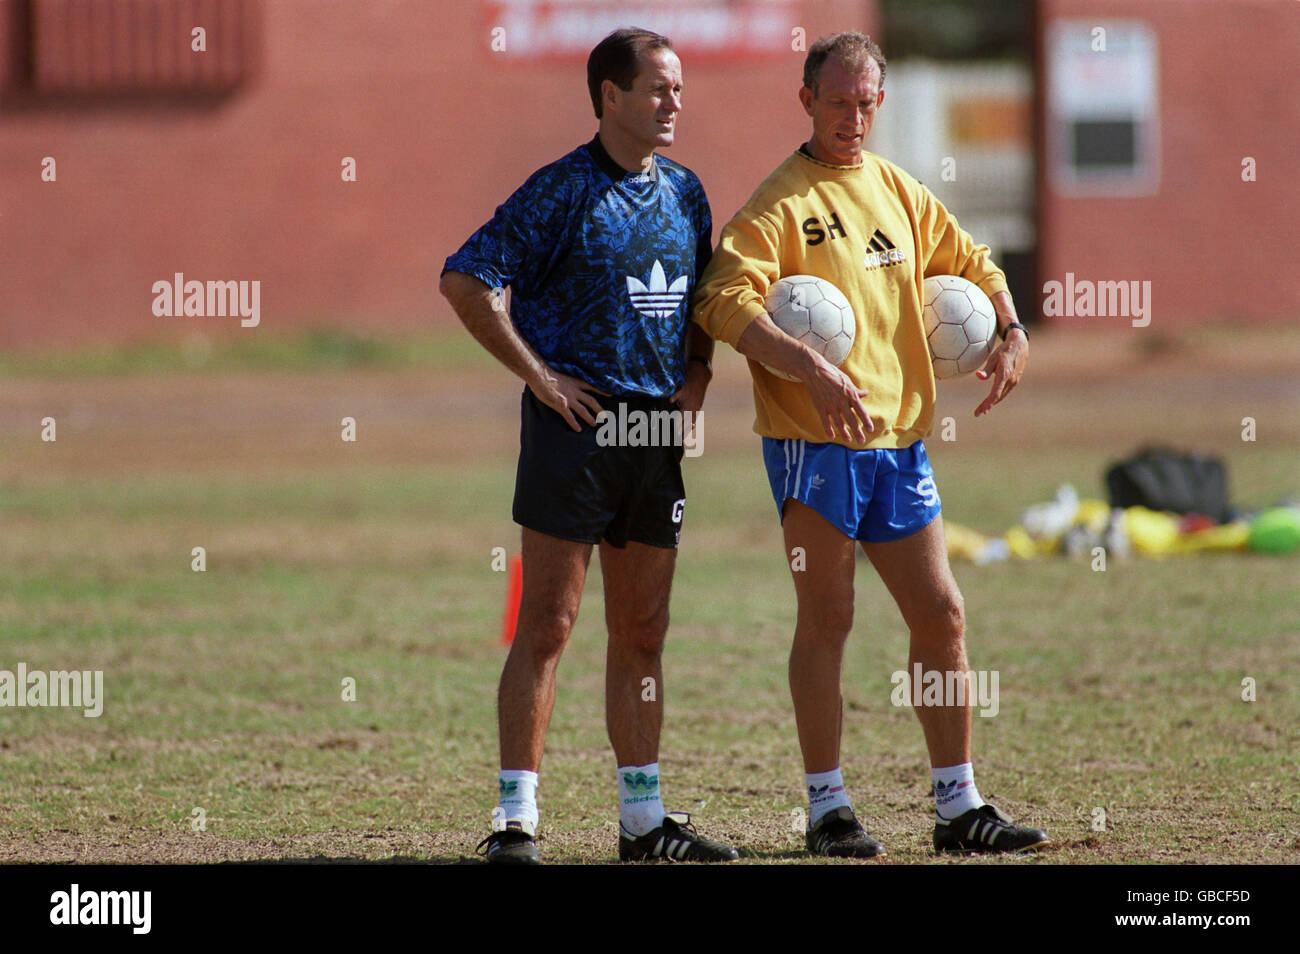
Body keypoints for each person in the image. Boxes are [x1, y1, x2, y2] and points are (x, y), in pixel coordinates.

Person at [692, 31, 1048, 856]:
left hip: (900, 442)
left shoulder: (898, 190)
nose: (853, 117)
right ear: (807, 99)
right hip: (813, 444)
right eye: (838, 101)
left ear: (879, 102)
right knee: (831, 615)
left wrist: (1011, 327)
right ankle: (828, 810)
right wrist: (805, 366)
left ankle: (959, 809)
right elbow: (719, 297)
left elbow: (974, 258)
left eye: (866, 102)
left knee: (943, 613)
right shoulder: (782, 203)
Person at [439, 27, 736, 865]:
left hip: (655, 436)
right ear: (611, 95)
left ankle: (644, 824)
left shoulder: (687, 192)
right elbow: (466, 280)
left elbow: (702, 300)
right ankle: (515, 823)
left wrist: (702, 369)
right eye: (658, 89)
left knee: (642, 631)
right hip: (576, 431)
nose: (674, 102)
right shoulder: (560, 190)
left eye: (679, 89)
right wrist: (540, 378)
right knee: (549, 625)